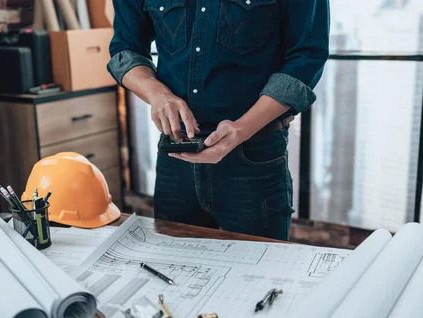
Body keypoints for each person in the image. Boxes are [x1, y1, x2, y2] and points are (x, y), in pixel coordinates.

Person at [107, 0, 329, 240]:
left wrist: (242, 129)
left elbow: (306, 57)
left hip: (254, 158)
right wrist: (157, 94)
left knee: (258, 269)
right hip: (176, 156)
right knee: (175, 266)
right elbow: (125, 50)